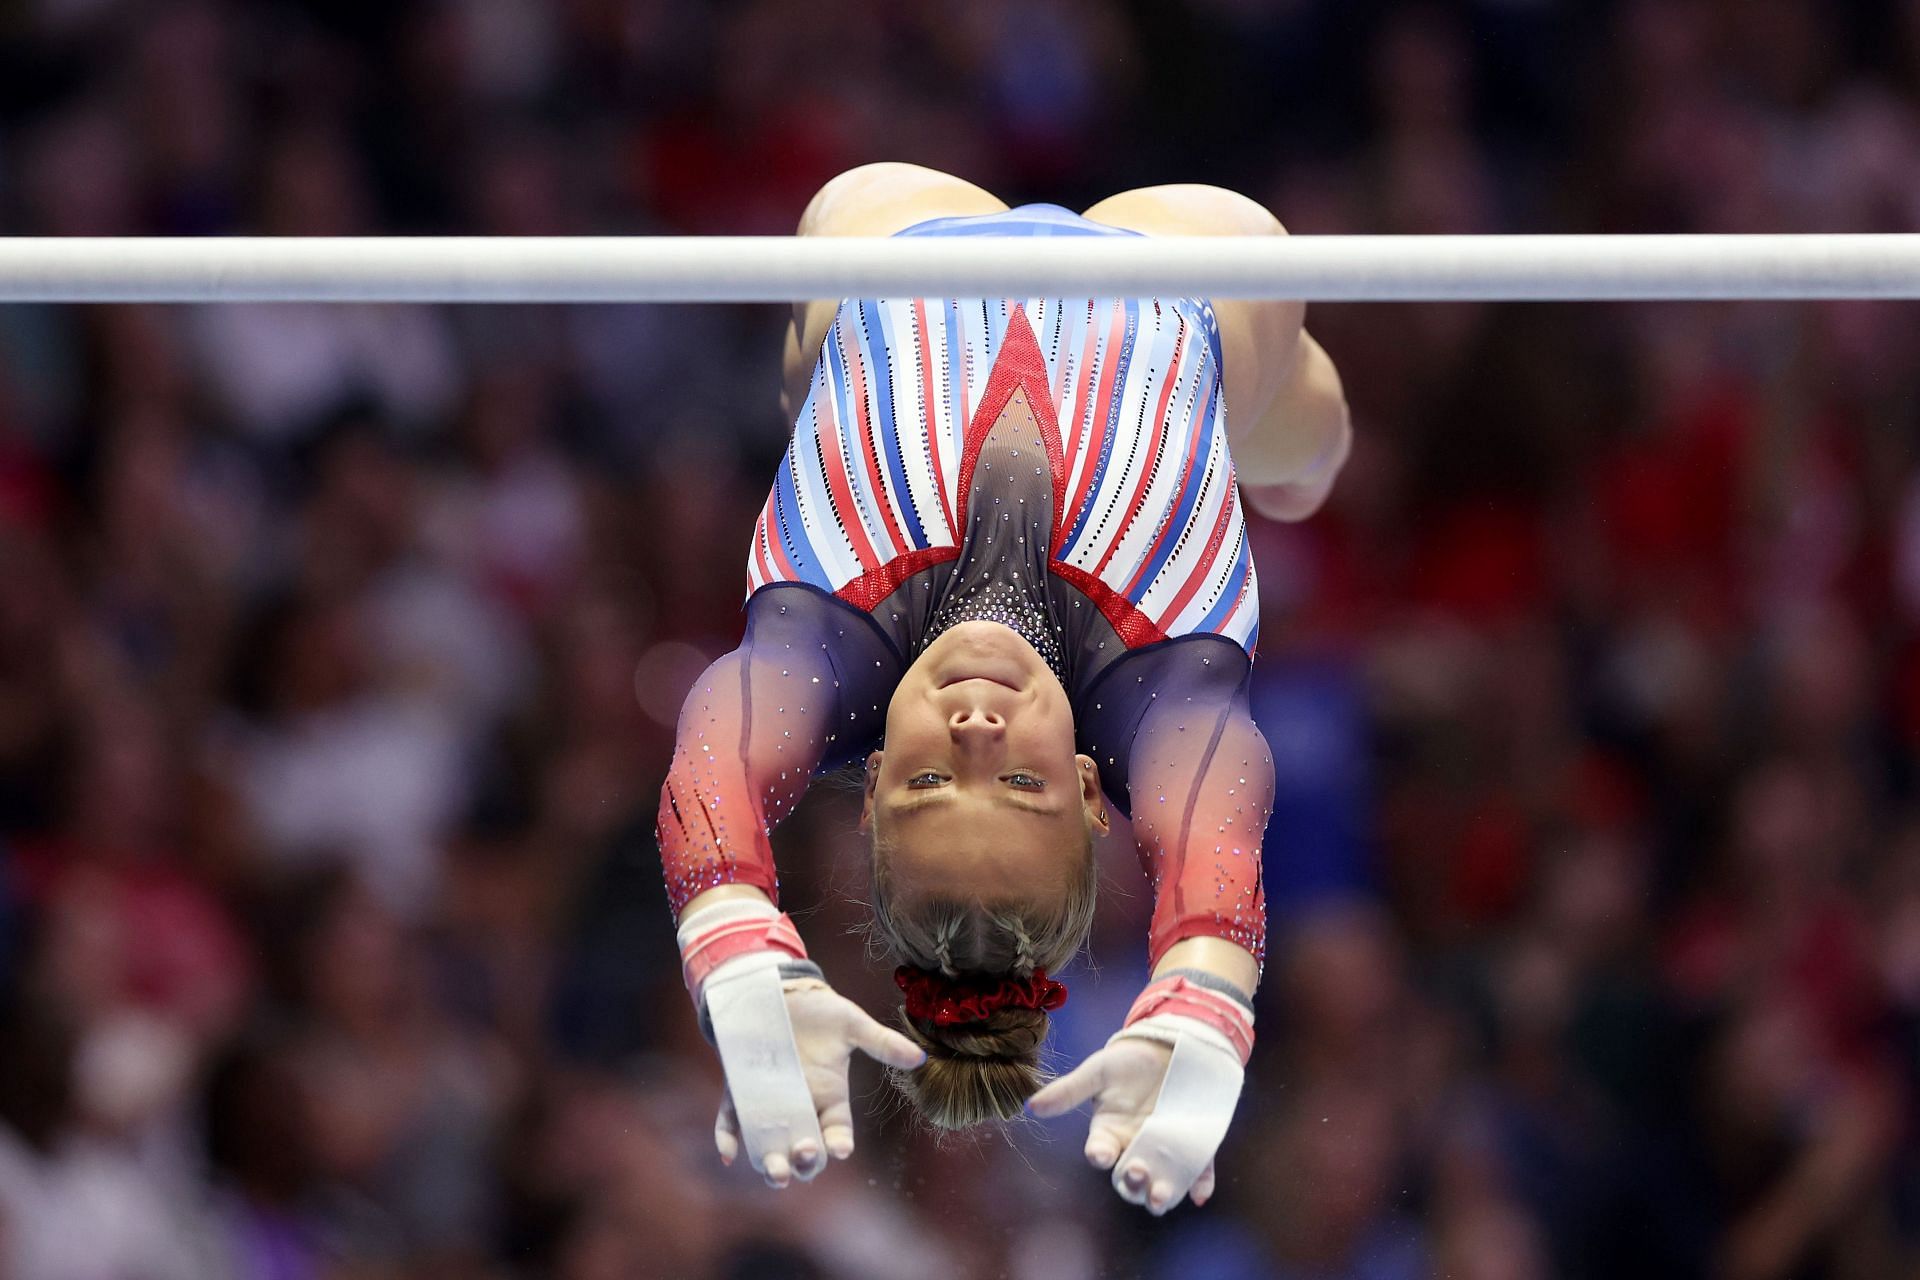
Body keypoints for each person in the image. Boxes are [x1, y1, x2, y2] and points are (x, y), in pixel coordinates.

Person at [658, 162, 1350, 1214]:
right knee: (1306, 452)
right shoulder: (1164, 688)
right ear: (1086, 788)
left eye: (932, 777)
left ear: (873, 769)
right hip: (1186, 258)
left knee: (825, 303)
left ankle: (809, 368)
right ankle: (1302, 457)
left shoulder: (822, 638)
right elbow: (1216, 828)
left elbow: (721, 738)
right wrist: (1208, 993)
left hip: (897, 232)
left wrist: (731, 930)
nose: (977, 723)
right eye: (1018, 782)